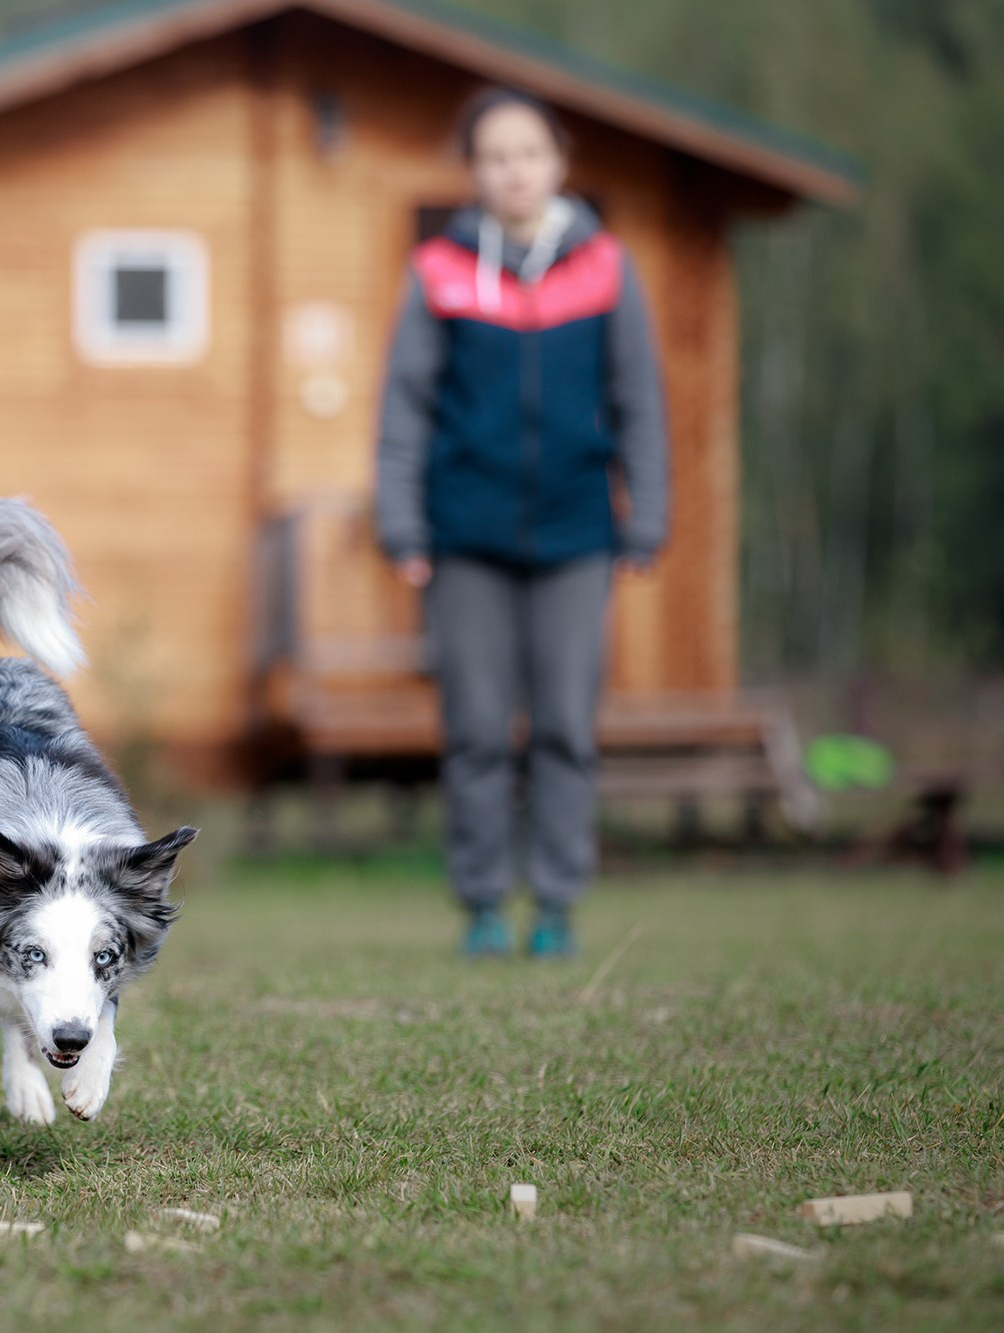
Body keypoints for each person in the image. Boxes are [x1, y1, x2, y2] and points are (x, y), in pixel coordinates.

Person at [374, 87, 670, 959]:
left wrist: (644, 518)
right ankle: (480, 907)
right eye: (497, 155)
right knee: (473, 730)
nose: (515, 169)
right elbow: (405, 409)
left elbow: (640, 402)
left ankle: (557, 905)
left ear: (558, 164)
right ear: (476, 171)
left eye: (530, 153)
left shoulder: (607, 267)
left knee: (566, 727)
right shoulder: (438, 270)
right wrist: (403, 525)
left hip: (579, 534)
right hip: (464, 538)